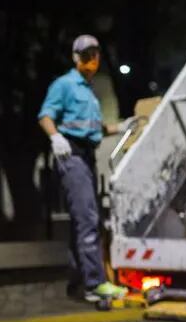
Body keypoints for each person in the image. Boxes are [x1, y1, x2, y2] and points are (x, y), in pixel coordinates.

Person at [38, 34, 132, 302]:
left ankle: (80, 282)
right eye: (86, 55)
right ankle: (95, 284)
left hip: (86, 157)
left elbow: (94, 129)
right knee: (88, 219)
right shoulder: (65, 85)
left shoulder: (88, 92)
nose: (92, 60)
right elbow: (45, 115)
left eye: (95, 55)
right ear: (75, 57)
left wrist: (120, 127)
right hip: (72, 156)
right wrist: (55, 137)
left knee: (83, 221)